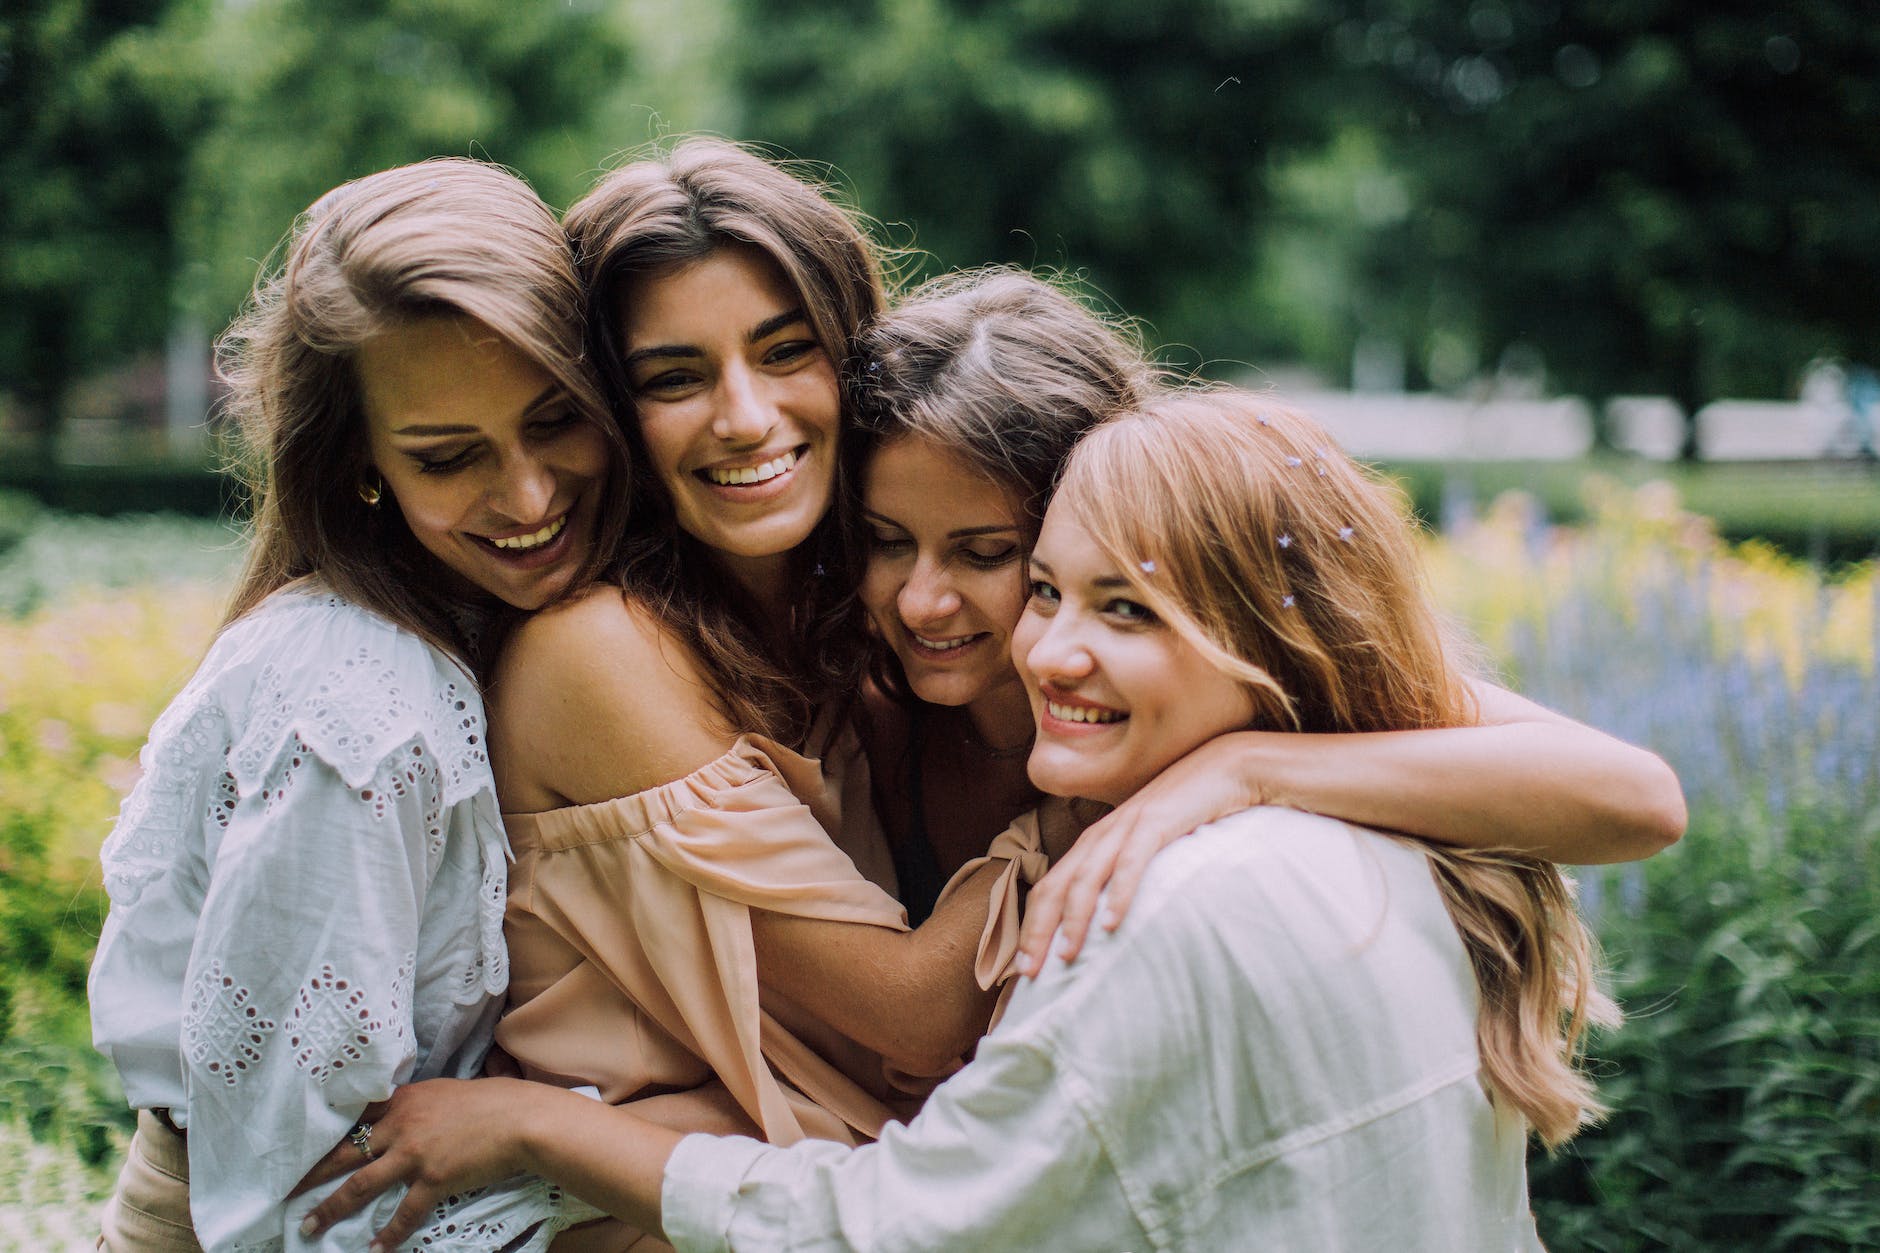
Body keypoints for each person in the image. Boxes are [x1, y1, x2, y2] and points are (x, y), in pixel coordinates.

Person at [297, 388, 1620, 1250]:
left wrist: (542, 1128)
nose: (1043, 649)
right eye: (1051, 589)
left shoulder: (1158, 897)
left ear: (1265, 641)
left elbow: (897, 1228)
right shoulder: (1395, 825)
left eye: (1129, 611)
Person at [86, 158, 633, 1252]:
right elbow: (292, 1201)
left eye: (557, 418)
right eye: (448, 457)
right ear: (361, 465)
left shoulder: (492, 620)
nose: (528, 495)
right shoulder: (358, 711)